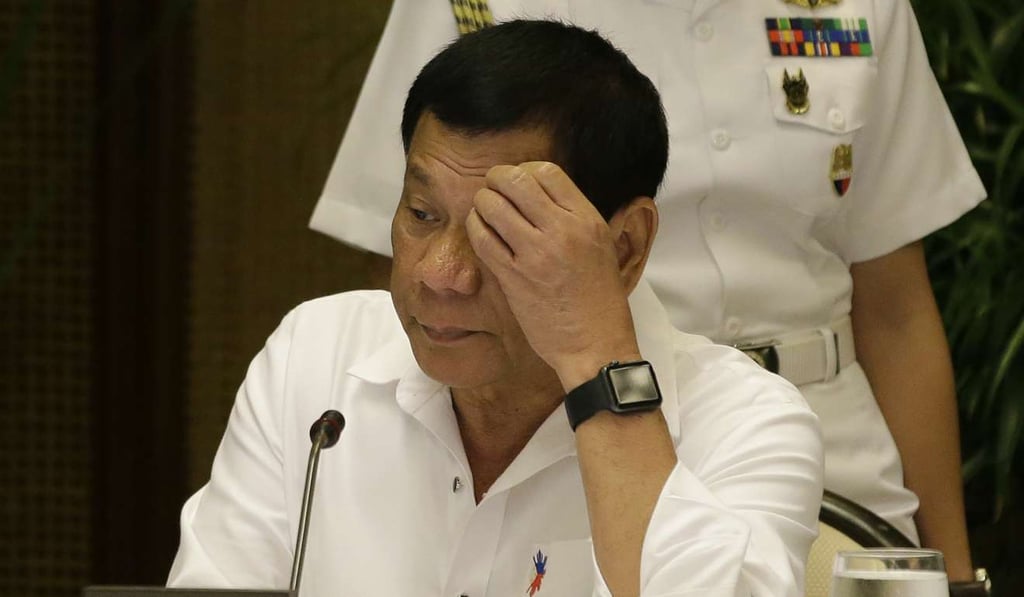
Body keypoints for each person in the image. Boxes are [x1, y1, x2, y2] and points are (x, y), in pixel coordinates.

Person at [308, 0, 985, 583]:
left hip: (830, 428)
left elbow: (896, 307)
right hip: (567, 433)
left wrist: (955, 574)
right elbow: (427, 258)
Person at [169, 20, 823, 597]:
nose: (441, 273)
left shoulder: (748, 424)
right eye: (422, 215)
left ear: (624, 247)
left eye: (501, 232)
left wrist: (598, 363)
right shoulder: (313, 362)